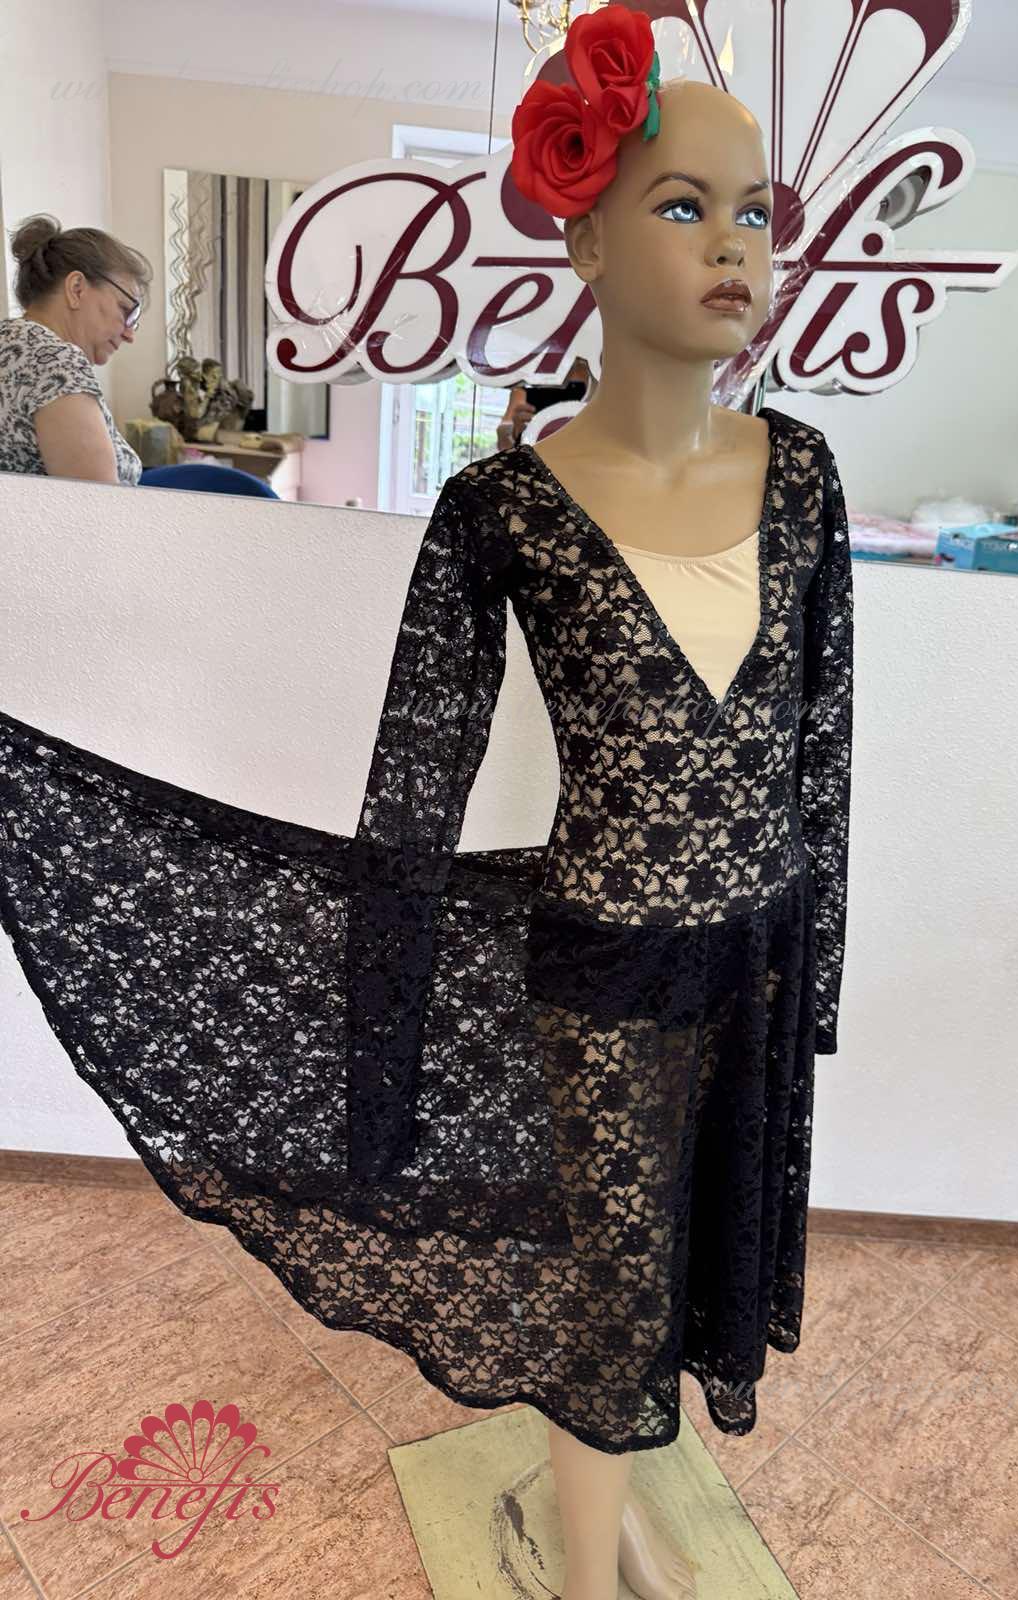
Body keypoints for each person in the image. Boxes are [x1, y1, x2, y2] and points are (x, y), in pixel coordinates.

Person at [0, 10, 853, 1599]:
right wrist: (378, 1036)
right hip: (604, 961)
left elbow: (821, 749)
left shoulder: (802, 475)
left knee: (683, 1268)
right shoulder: (504, 505)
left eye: (755, 212)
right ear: (586, 238)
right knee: (613, 1281)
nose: (734, 246)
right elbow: (418, 784)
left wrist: (819, 969)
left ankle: (629, 1503)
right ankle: (587, 1563)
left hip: (756, 949)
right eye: (684, 205)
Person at [0, 214, 149, 486]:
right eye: (126, 310)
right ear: (77, 289)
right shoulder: (56, 361)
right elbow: (96, 504)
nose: (130, 334)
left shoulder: (8, 339)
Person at [497, 355, 593, 451]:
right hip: (539, 452)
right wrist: (513, 433)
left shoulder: (592, 383)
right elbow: (503, 436)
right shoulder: (523, 393)